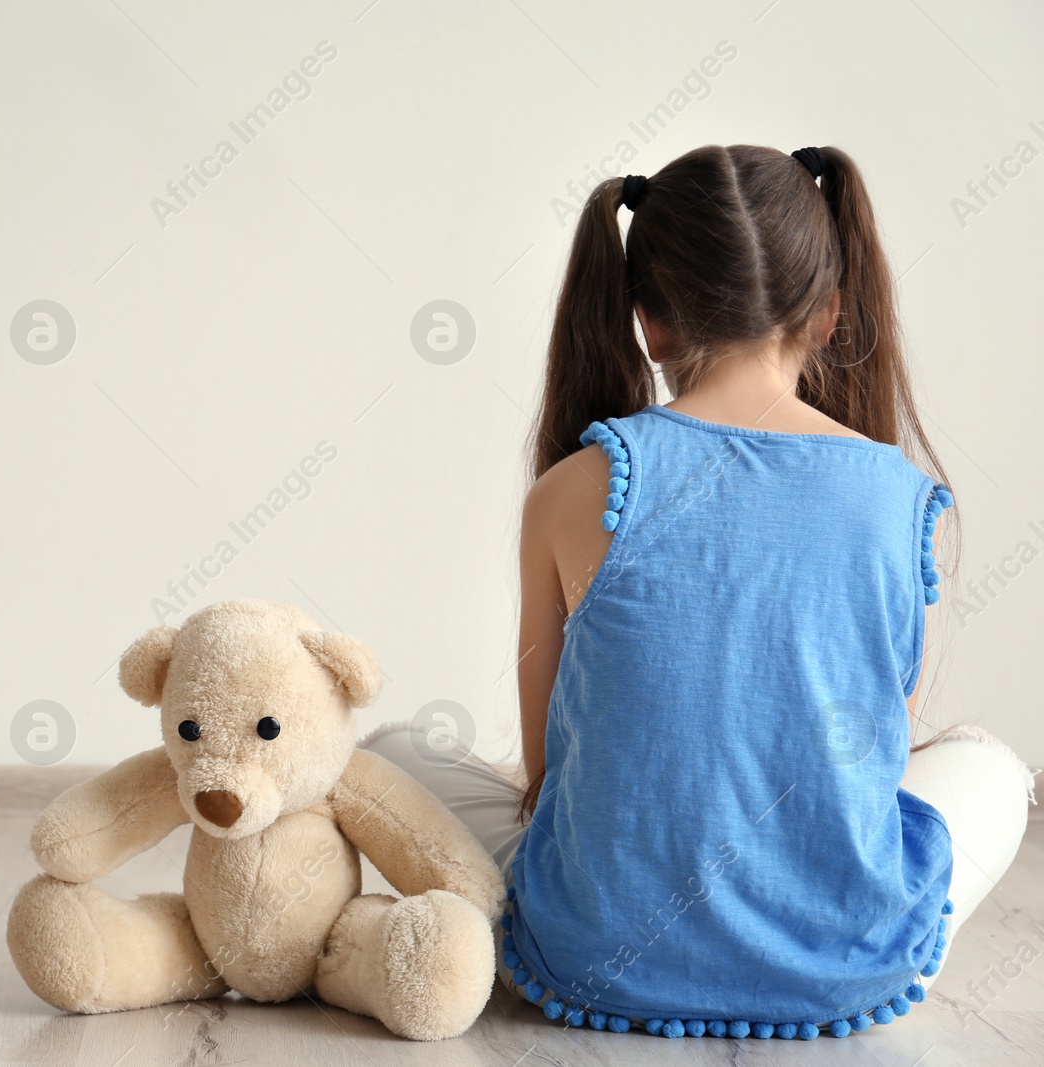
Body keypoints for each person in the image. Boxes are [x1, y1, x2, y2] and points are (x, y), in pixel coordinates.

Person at [365, 144, 1036, 1040]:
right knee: (991, 764)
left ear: (650, 323)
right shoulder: (901, 496)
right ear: (833, 310)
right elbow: (872, 762)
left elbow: (545, 771)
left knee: (388, 750)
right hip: (848, 966)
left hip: (591, 957)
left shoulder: (573, 486)